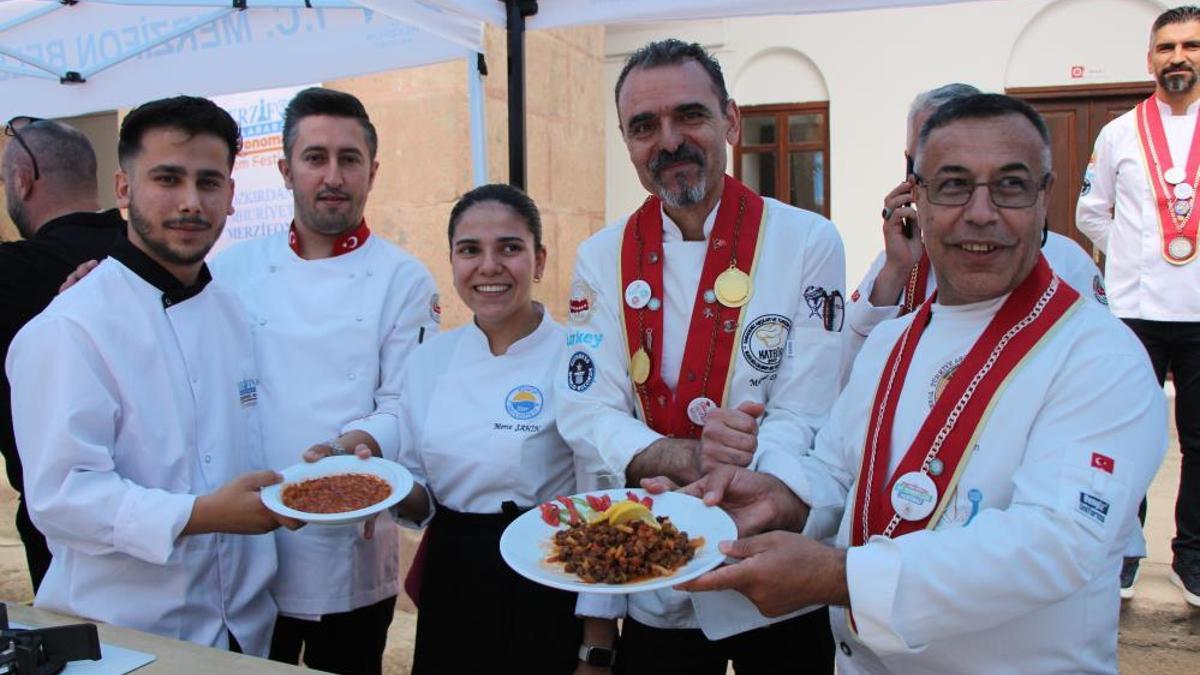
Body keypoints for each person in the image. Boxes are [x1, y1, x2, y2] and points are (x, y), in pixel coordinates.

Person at [673, 94, 1166, 674]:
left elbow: (1055, 544)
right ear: (918, 198)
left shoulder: (1100, 356)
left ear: (1044, 197)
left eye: (1009, 186)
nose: (981, 213)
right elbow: (834, 470)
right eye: (953, 185)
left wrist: (838, 577)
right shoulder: (892, 339)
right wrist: (779, 498)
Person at [557, 39, 844, 674]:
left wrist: (734, 475)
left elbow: (808, 407)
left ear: (731, 121)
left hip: (771, 561)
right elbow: (584, 406)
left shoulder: (808, 241)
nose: (668, 141)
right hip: (657, 569)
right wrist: (686, 456)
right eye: (643, 126)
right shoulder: (601, 257)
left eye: (689, 115)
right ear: (628, 142)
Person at [5, 95, 293, 655]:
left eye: (209, 182)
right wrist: (200, 515)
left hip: (246, 630)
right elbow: (63, 498)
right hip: (127, 638)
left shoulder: (235, 312)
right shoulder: (68, 329)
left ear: (231, 196)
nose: (190, 202)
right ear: (122, 190)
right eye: (167, 178)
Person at [209, 87, 438, 674]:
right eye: (315, 158)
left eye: (349, 159)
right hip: (247, 532)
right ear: (286, 170)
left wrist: (342, 452)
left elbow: (403, 403)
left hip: (351, 543)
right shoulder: (229, 270)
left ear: (372, 171)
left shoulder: (403, 279)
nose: (332, 176)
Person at [357, 183, 616, 674]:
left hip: (548, 574)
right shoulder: (428, 361)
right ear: (453, 262)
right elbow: (422, 496)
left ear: (538, 261)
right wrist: (381, 487)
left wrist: (596, 648)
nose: (489, 266)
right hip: (453, 578)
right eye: (470, 250)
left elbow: (598, 509)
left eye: (510, 248)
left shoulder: (579, 358)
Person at [1077, 4, 1200, 607]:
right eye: (1167, 46)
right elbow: (1089, 211)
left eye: (1192, 46)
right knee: (1130, 436)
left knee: (1199, 440)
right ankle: (1124, 552)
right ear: (1149, 57)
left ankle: (1193, 557)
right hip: (1135, 309)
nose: (1179, 57)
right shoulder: (1119, 133)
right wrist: (1130, 254)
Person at [847, 83, 1104, 364]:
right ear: (912, 172)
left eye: (1006, 182)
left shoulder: (1067, 261)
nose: (978, 213)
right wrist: (896, 270)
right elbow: (847, 368)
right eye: (949, 178)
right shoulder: (898, 262)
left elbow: (1098, 361)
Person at [0, 117, 123, 593]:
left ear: (22, 180)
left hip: (60, 535)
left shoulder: (11, 275)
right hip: (170, 519)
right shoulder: (148, 256)